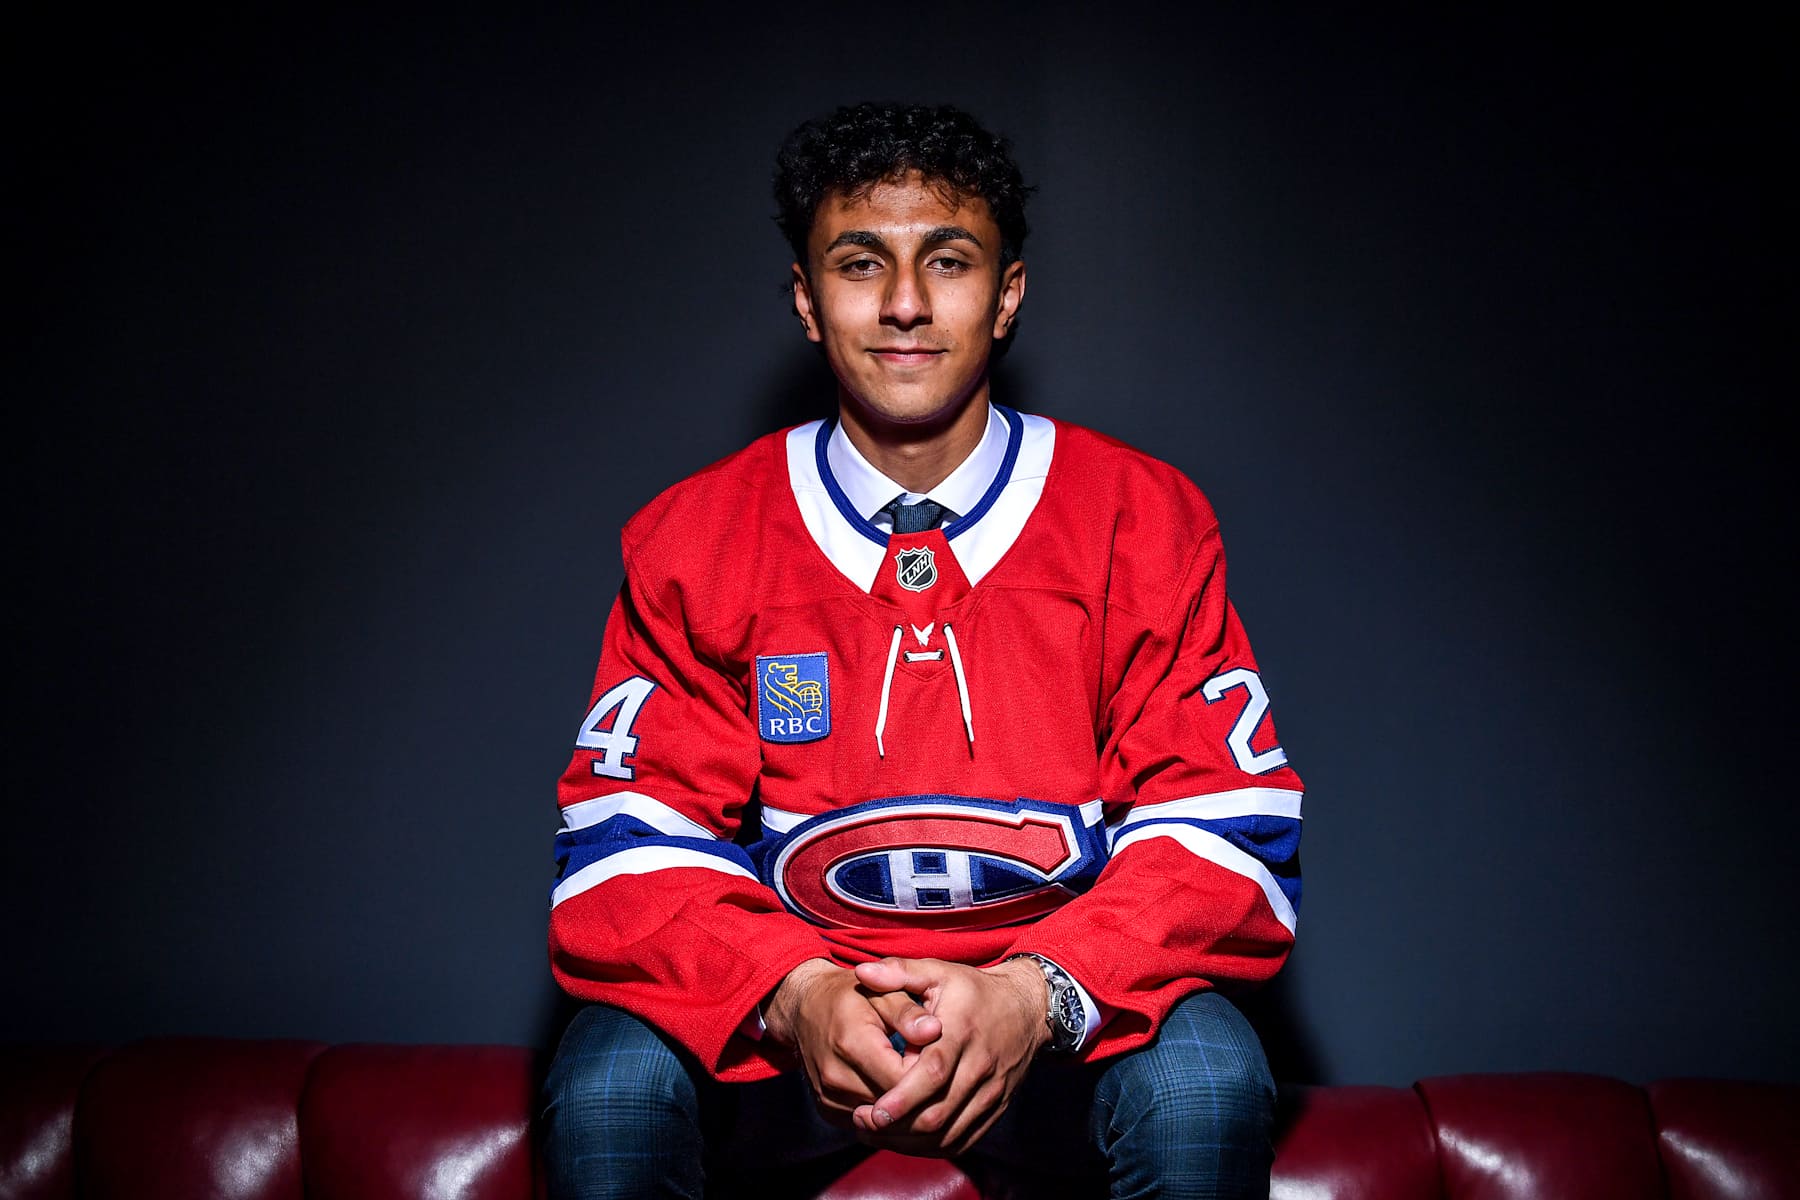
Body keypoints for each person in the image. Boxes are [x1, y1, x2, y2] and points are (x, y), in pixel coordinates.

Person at [541, 102, 1303, 1199]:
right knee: (609, 1087)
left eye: (947, 260)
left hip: (1055, 1051)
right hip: (790, 1054)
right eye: (862, 264)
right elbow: (624, 840)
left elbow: (1228, 827)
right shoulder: (695, 539)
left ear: (1008, 294)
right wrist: (795, 994)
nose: (904, 304)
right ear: (808, 301)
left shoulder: (1141, 518)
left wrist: (1040, 991)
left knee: (1204, 1083)